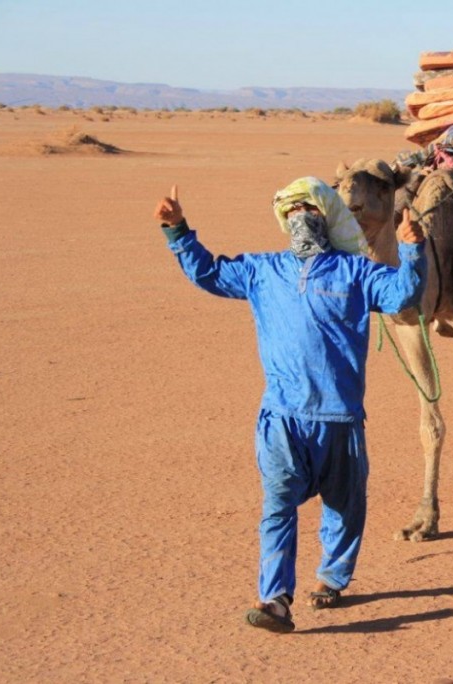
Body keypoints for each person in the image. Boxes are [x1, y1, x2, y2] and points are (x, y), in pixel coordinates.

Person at [152, 177, 426, 633]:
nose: (301, 219)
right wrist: (178, 231)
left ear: (326, 218)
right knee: (277, 505)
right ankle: (275, 598)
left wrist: (412, 252)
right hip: (282, 418)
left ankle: (333, 578)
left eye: (310, 211)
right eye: (292, 212)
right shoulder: (262, 270)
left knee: (345, 505)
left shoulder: (356, 272)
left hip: (340, 418)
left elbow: (402, 295)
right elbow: (208, 273)